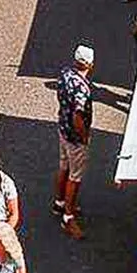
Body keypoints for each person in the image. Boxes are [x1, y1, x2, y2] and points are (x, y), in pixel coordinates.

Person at [53, 44, 94, 240]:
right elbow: (78, 115)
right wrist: (84, 135)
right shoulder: (82, 88)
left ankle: (59, 202)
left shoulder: (64, 73)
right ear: (90, 65)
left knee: (63, 166)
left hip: (62, 129)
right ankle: (68, 217)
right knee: (75, 176)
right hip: (75, 137)